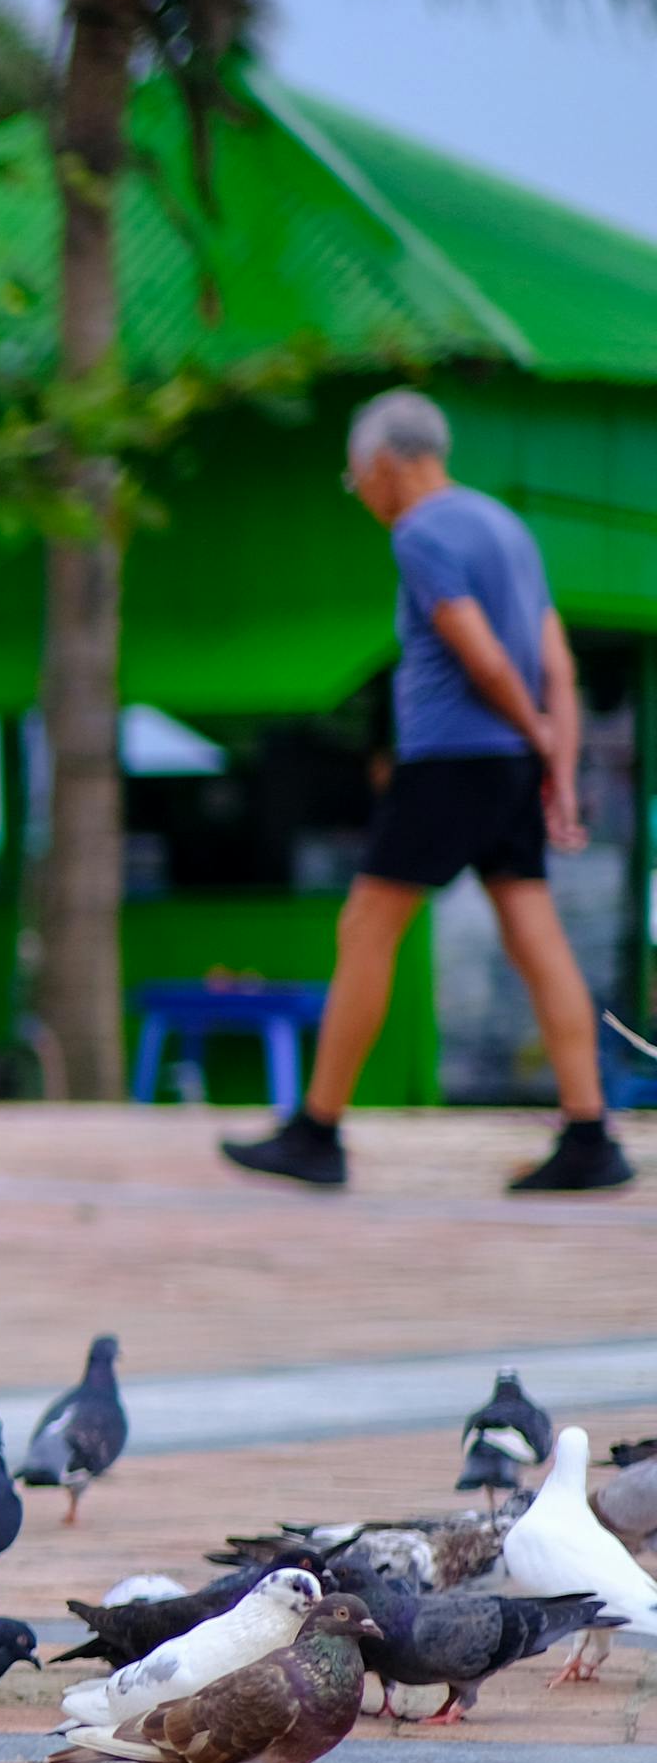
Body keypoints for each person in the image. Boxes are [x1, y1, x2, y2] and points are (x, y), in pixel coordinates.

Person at [225, 391, 628, 1194]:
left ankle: (317, 1130)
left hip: (450, 762)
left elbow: (481, 658)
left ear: (384, 464)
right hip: (509, 765)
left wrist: (541, 739)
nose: (364, 494)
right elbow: (558, 664)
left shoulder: (421, 532)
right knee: (535, 936)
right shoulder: (508, 528)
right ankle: (590, 1135)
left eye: (356, 479)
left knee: (366, 928)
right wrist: (555, 761)